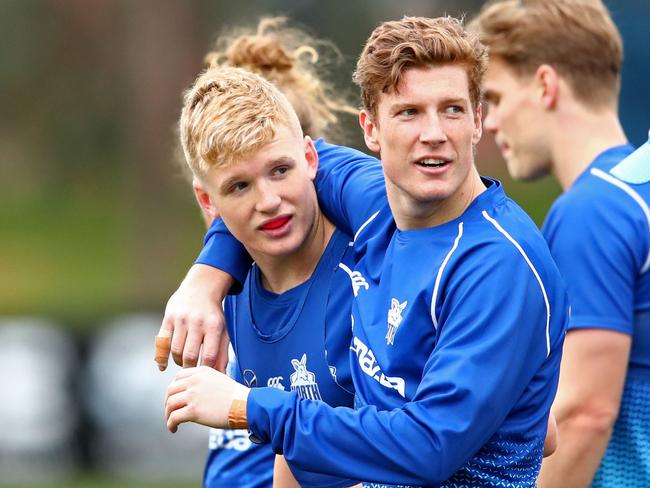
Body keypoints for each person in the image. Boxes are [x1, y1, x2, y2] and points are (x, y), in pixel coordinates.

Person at [163, 16, 568, 486]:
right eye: (409, 112)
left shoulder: (498, 265)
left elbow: (430, 448)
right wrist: (204, 280)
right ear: (371, 130)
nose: (433, 132)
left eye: (453, 109)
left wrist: (246, 407)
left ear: (478, 121)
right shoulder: (376, 206)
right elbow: (266, 169)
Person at [161, 17, 359, 488]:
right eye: (237, 184)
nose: (267, 201)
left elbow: (427, 447)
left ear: (311, 157)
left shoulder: (368, 266)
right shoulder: (233, 290)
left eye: (279, 169)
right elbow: (288, 458)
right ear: (208, 198)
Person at [470, 1, 650, 485]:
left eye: (498, 98)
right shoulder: (638, 190)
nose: (489, 123)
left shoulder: (593, 211)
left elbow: (585, 413)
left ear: (546, 85)